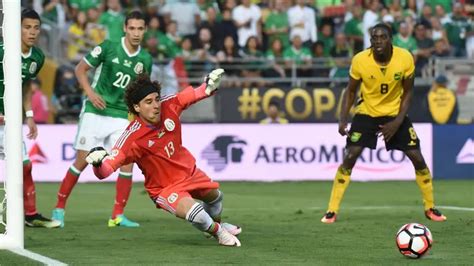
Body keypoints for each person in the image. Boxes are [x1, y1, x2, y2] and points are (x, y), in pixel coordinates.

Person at [85, 69, 242, 247]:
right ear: (137, 107)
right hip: (164, 188)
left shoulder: (169, 105)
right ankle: (218, 232)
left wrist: (208, 87)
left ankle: (216, 225)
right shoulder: (131, 138)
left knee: (216, 198)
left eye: (157, 99)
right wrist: (97, 164)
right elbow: (104, 171)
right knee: (197, 213)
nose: (156, 105)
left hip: (189, 173)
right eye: (148, 102)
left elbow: (195, 94)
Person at [321, 23, 447, 224]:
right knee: (350, 155)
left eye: (382, 37)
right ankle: (331, 210)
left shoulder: (405, 58)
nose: (377, 41)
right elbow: (351, 91)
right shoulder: (360, 60)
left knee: (417, 157)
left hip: (395, 113)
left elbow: (408, 93)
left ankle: (430, 208)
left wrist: (397, 122)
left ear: (390, 39)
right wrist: (343, 118)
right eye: (374, 38)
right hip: (366, 113)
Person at [52, 11, 153, 228]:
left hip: (121, 116)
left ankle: (117, 215)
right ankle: (59, 209)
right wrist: (90, 93)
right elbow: (80, 69)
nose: (136, 33)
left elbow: (142, 92)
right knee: (82, 161)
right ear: (125, 28)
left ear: (145, 30)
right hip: (95, 111)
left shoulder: (145, 59)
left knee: (127, 163)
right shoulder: (108, 47)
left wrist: (139, 120)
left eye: (140, 29)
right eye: (132, 28)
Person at [0, 9, 60, 228]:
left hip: (11, 122)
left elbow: (26, 88)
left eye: (36, 28)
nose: (32, 32)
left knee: (25, 166)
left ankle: (31, 214)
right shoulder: (3, 51)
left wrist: (30, 116)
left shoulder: (37, 57)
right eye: (27, 27)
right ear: (17, 29)